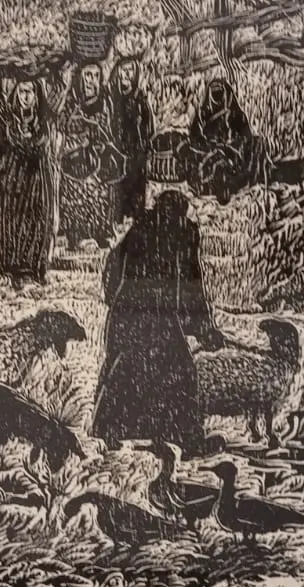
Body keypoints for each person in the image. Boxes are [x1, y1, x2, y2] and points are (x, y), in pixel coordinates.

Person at [91, 189, 224, 456]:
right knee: (179, 372)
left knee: (126, 372)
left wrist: (118, 302)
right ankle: (185, 440)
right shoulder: (180, 234)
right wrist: (204, 330)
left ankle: (113, 433)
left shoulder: (141, 229)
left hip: (129, 315)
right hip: (151, 317)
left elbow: (111, 269)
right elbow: (190, 287)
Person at [0, 61, 61, 289]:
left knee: (37, 222)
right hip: (14, 181)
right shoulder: (8, 121)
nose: (25, 97)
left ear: (37, 95)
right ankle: (11, 270)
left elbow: (58, 90)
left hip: (37, 181)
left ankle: (32, 271)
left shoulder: (44, 121)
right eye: (21, 92)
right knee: (13, 222)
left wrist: (56, 69)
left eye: (30, 92)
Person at [58, 62, 123, 249]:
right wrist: (80, 135)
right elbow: (62, 126)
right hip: (73, 161)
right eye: (88, 75)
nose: (91, 81)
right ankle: (78, 235)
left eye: (95, 76)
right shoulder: (71, 101)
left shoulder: (105, 102)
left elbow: (110, 131)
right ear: (80, 77)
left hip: (96, 159)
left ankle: (100, 233)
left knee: (99, 196)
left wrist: (99, 137)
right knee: (76, 199)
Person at [184, 75, 258, 204]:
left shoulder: (234, 112)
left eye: (219, 93)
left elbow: (246, 135)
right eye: (214, 93)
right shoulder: (202, 113)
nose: (217, 97)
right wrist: (206, 144)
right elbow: (194, 136)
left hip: (231, 152)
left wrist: (231, 145)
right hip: (208, 151)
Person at [107, 57, 154, 225]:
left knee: (136, 183)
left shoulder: (139, 98)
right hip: (116, 148)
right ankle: (116, 218)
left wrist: (144, 145)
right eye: (123, 70)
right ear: (118, 72)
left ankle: (136, 217)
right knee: (118, 184)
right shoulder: (112, 97)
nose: (126, 74)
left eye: (130, 71)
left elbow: (149, 126)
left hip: (135, 149)